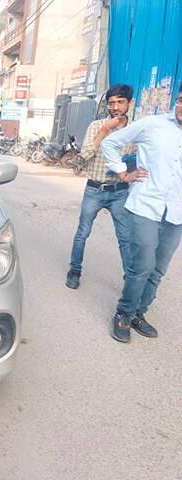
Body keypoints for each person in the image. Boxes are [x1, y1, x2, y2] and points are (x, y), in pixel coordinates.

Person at [101, 83, 182, 343]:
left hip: (177, 210)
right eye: (180, 99)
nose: (181, 106)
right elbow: (111, 143)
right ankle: (123, 314)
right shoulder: (153, 125)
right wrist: (123, 173)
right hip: (147, 204)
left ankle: (139, 313)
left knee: (158, 269)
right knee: (143, 266)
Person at [66, 84, 136, 289]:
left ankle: (130, 279)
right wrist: (105, 130)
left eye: (120, 102)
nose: (115, 107)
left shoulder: (135, 130)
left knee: (125, 238)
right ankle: (75, 270)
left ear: (129, 104)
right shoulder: (97, 126)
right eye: (111, 103)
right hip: (94, 189)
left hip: (120, 192)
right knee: (82, 232)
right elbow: (84, 155)